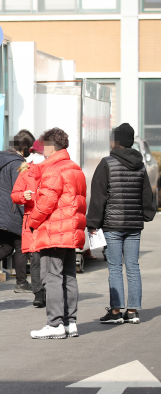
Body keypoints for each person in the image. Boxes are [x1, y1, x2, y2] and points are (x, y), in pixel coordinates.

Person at [86, 123, 156, 325]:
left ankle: (116, 311)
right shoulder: (140, 165)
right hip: (134, 225)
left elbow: (99, 197)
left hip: (112, 225)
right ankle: (133, 312)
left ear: (116, 141)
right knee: (133, 267)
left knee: (115, 268)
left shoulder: (107, 163)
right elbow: (147, 196)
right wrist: (146, 215)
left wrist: (93, 223)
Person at [28, 127, 86, 340]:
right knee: (69, 276)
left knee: (51, 277)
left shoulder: (52, 170)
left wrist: (32, 222)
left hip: (54, 230)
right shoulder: (74, 167)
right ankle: (70, 322)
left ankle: (54, 324)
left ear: (51, 146)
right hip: (70, 230)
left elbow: (45, 203)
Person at [0, 130, 35, 293]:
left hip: (0, 211)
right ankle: (21, 283)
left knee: (6, 248)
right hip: (11, 211)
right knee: (20, 246)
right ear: (24, 147)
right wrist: (26, 215)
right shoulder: (18, 163)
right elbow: (19, 190)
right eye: (30, 148)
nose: (31, 151)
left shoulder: (2, 161)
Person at [11, 152, 46, 307]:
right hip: (32, 220)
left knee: (48, 258)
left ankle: (50, 291)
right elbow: (15, 195)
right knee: (36, 258)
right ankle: (38, 293)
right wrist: (23, 196)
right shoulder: (25, 173)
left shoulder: (52, 170)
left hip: (49, 219)